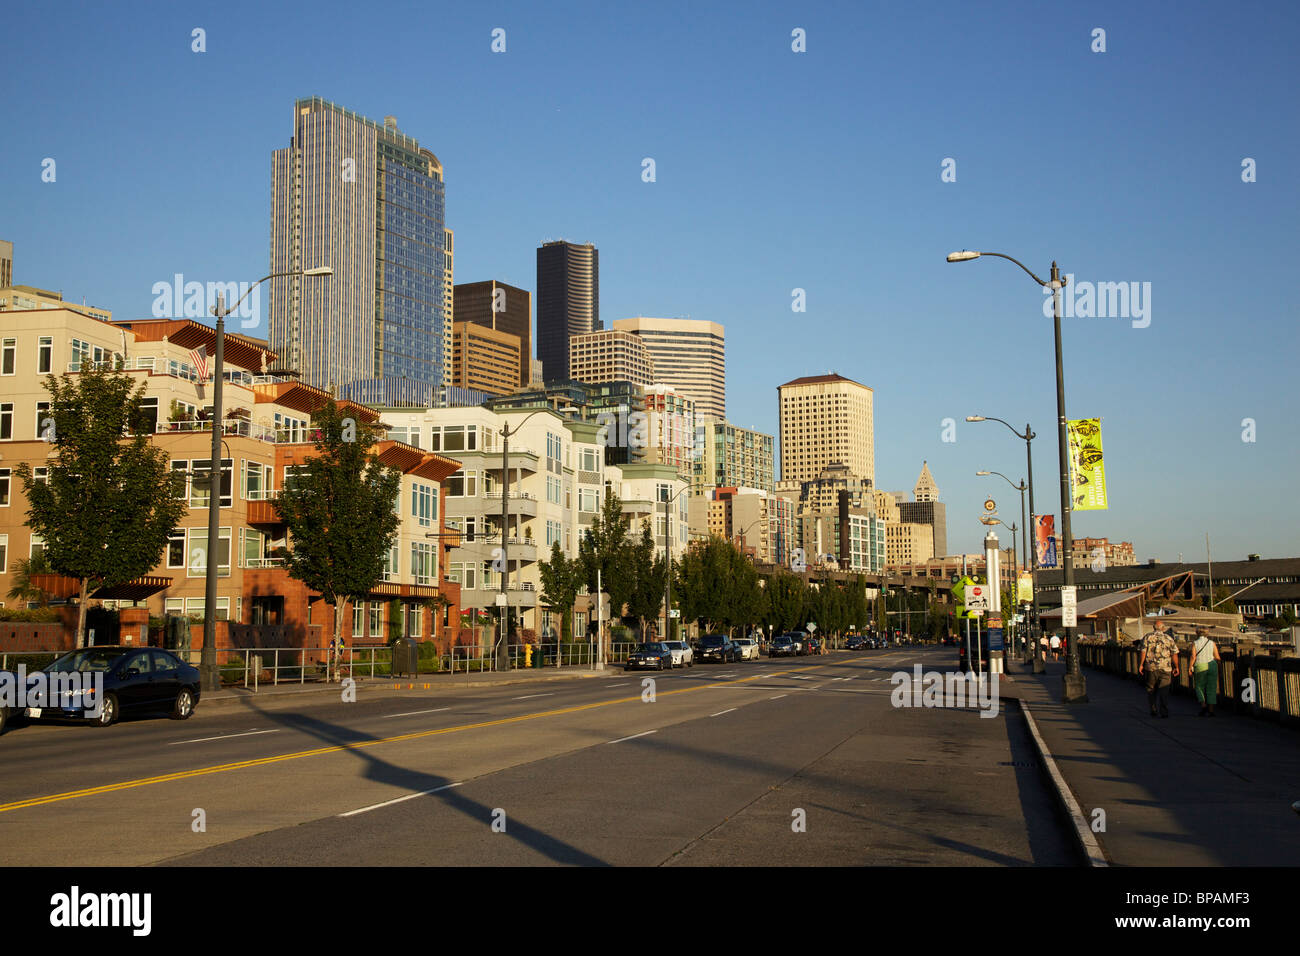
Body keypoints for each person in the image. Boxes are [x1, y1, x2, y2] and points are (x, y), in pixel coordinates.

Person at [1138, 619, 1179, 718]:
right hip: (1166, 668)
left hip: (1151, 667)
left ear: (1153, 628)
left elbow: (1143, 651)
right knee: (1164, 690)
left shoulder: (1147, 637)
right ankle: (1164, 711)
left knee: (1151, 689)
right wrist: (1176, 666)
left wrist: (1141, 664)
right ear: (1163, 628)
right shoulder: (1169, 638)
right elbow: (1174, 653)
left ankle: (1153, 709)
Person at [1191, 626, 1222, 717]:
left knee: (1199, 686)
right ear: (1207, 633)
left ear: (1197, 633)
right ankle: (1211, 710)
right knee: (1212, 687)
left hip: (1200, 665)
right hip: (1212, 665)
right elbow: (1217, 657)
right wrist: (1219, 668)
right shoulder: (1212, 643)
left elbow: (1193, 657)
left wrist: (1190, 667)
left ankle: (1203, 705)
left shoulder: (1195, 643)